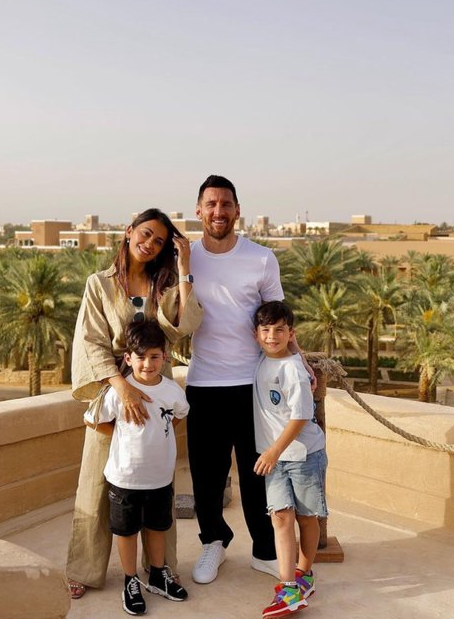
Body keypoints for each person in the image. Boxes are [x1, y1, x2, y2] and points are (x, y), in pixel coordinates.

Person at [66, 208, 203, 599]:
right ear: (129, 232)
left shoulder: (166, 284)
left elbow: (186, 324)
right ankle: (84, 567)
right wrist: (121, 388)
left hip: (158, 388)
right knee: (97, 481)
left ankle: (160, 568)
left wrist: (184, 267)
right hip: (113, 391)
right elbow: (91, 341)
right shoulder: (99, 284)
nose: (150, 244)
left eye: (159, 241)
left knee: (157, 480)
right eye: (145, 234)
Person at [185, 174, 314, 585]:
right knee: (207, 474)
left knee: (258, 471)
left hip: (255, 385)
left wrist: (300, 361)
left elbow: (279, 318)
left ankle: (264, 550)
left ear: (237, 210)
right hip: (204, 383)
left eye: (226, 204)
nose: (218, 211)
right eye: (211, 204)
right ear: (199, 211)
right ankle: (214, 542)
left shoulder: (261, 258)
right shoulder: (186, 259)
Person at [84, 318, 190, 616]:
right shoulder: (119, 392)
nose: (147, 364)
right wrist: (122, 434)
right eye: (140, 357)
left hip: (160, 478)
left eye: (154, 357)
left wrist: (159, 431)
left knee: (158, 527)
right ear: (128, 358)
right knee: (127, 531)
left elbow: (179, 415)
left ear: (165, 357)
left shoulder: (172, 391)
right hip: (125, 478)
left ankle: (158, 575)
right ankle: (130, 581)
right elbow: (93, 420)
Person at [253, 300, 327, 619]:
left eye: (279, 330)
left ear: (290, 333)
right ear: (256, 334)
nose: (272, 336)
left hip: (303, 455)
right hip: (275, 458)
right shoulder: (262, 360)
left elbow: (300, 416)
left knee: (307, 518)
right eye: (266, 330)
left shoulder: (294, 370)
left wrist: (272, 451)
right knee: (280, 517)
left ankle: (304, 574)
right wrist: (272, 453)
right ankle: (288, 586)